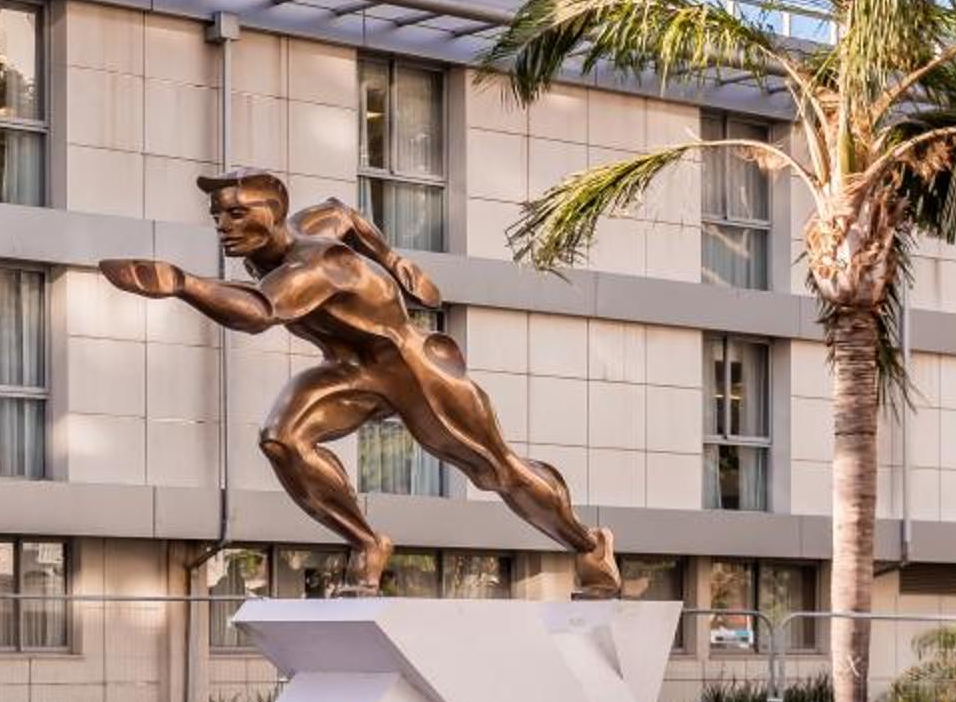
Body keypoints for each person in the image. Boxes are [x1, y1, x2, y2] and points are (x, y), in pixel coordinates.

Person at [102, 169, 623, 598]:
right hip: (351, 370)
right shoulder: (308, 227)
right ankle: (368, 543)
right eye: (217, 214)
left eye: (237, 214)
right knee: (282, 440)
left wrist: (183, 284)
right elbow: (344, 213)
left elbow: (259, 311)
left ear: (273, 212)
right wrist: (393, 258)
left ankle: (587, 544)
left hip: (413, 370)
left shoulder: (318, 264)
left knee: (498, 472)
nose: (223, 225)